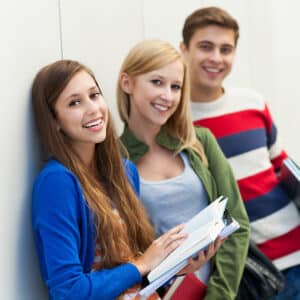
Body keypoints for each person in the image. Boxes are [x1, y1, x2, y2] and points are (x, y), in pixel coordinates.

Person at [31, 59, 203, 300]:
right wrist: (142, 264)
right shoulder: (57, 183)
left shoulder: (125, 172)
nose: (93, 109)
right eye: (75, 102)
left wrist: (175, 267)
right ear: (55, 121)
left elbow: (132, 267)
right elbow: (68, 291)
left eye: (94, 95)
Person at [180, 6, 300, 299]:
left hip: (296, 250)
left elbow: (281, 166)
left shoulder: (253, 103)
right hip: (250, 271)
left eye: (226, 49)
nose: (216, 58)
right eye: (205, 47)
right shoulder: (177, 122)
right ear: (183, 50)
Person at [117, 39, 250, 300]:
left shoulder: (199, 142)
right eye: (157, 82)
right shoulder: (114, 160)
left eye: (175, 86)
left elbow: (238, 223)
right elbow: (122, 252)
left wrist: (218, 295)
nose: (167, 96)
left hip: (222, 292)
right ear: (127, 83)